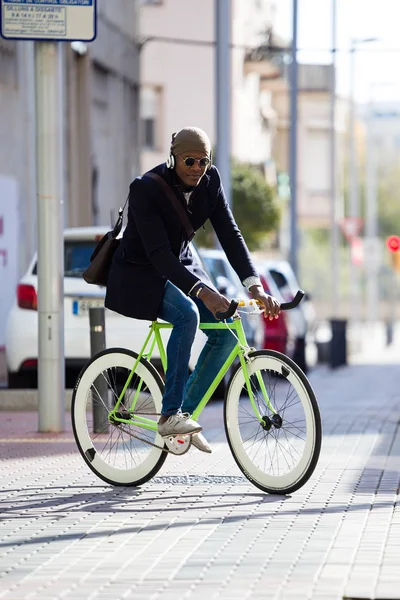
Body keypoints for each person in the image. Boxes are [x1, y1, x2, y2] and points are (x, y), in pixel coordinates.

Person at [105, 127, 280, 453]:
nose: (197, 168)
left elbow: (230, 233)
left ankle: (186, 414)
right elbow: (158, 254)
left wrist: (254, 285)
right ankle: (170, 415)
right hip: (142, 270)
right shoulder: (146, 189)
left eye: (203, 161)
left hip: (182, 262)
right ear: (173, 159)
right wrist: (203, 292)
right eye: (189, 160)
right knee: (186, 315)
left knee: (228, 330)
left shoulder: (210, 182)